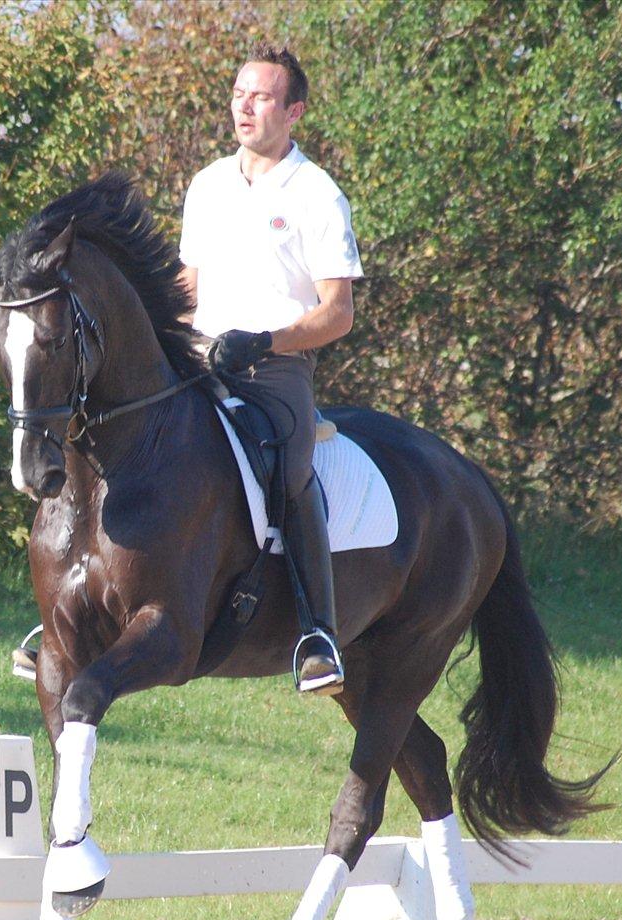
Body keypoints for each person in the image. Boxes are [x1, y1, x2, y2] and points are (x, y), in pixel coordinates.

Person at [179, 44, 363, 695]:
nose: (244, 106)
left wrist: (266, 340)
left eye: (260, 97)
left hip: (274, 369)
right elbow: (188, 286)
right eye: (238, 94)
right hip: (198, 358)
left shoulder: (317, 194)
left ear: (294, 112)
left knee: (289, 468)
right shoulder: (206, 185)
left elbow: (337, 312)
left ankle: (319, 633)